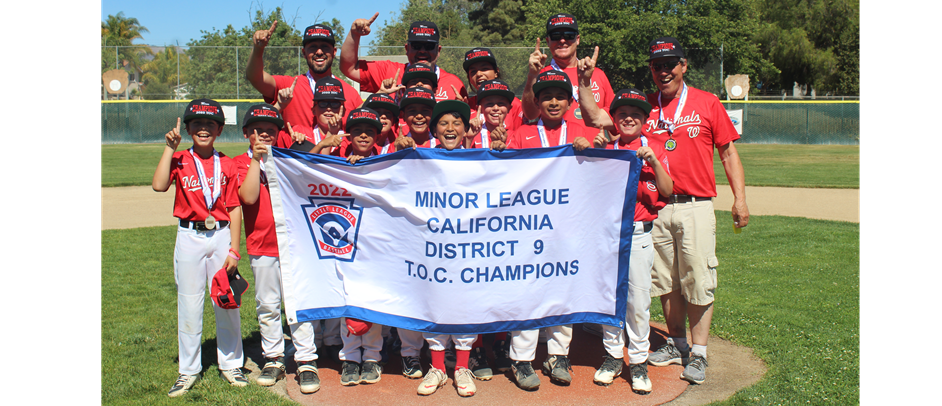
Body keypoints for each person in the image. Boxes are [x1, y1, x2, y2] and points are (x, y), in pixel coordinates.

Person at [641, 36, 749, 385]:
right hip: (657, 208)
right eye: (657, 65)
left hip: (695, 206)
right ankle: (676, 344)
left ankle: (699, 353)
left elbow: (728, 152)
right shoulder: (646, 108)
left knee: (699, 280)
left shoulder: (706, 102)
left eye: (670, 64)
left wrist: (740, 198)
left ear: (683, 66)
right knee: (667, 283)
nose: (664, 71)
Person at [575, 48, 673, 393]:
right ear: (613, 118)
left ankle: (640, 361)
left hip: (640, 233)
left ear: (644, 119)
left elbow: (668, 190)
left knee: (637, 301)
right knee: (608, 297)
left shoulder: (654, 147)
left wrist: (655, 163)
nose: (629, 118)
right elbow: (583, 184)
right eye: (623, 113)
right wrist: (585, 148)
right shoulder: (608, 146)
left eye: (635, 114)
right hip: (608, 235)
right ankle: (613, 355)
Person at [497, 71, 592, 390]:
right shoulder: (523, 132)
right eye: (546, 96)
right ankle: (521, 359)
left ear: (570, 101)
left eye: (560, 96)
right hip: (528, 227)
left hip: (568, 226)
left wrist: (588, 152)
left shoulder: (580, 131)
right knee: (527, 291)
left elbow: (600, 175)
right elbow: (506, 174)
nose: (553, 101)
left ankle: (558, 355)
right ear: (536, 101)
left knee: (562, 289)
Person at [152, 99, 245, 397]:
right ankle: (188, 369)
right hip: (190, 236)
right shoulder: (179, 159)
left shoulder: (227, 163)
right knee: (189, 302)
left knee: (225, 300)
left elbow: (234, 208)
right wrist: (169, 148)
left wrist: (233, 249)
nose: (203, 128)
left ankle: (231, 364)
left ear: (219, 129)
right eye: (197, 123)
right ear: (189, 128)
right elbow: (158, 185)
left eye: (209, 124)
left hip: (219, 236)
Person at [232, 104, 322, 394]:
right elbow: (248, 196)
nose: (265, 135)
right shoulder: (241, 163)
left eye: (271, 130)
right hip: (262, 244)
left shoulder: (287, 159)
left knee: (299, 303)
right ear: (247, 133)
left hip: (294, 244)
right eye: (258, 130)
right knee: (268, 305)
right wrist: (258, 160)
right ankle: (273, 357)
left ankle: (306, 359)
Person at [415, 100, 479, 397]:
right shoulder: (419, 160)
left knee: (466, 304)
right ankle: (438, 368)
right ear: (434, 129)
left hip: (470, 248)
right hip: (432, 247)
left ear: (466, 130)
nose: (450, 128)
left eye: (457, 123)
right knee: (433, 302)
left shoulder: (482, 161)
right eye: (443, 123)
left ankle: (462, 367)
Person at [246, 21, 362, 132]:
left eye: (325, 47)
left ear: (334, 51)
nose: (319, 52)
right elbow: (255, 77)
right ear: (304, 53)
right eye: (313, 47)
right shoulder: (289, 86)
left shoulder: (350, 93)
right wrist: (258, 49)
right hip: (298, 152)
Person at [340, 16, 467, 101]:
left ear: (438, 51)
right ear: (407, 49)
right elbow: (349, 68)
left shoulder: (454, 84)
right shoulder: (389, 72)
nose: (422, 51)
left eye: (429, 46)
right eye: (416, 46)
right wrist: (354, 35)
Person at [521, 13, 614, 129]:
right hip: (558, 146)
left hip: (592, 146)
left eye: (569, 35)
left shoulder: (597, 74)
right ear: (548, 41)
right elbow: (530, 114)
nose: (562, 40)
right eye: (556, 36)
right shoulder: (541, 75)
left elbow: (613, 119)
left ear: (578, 39)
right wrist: (532, 75)